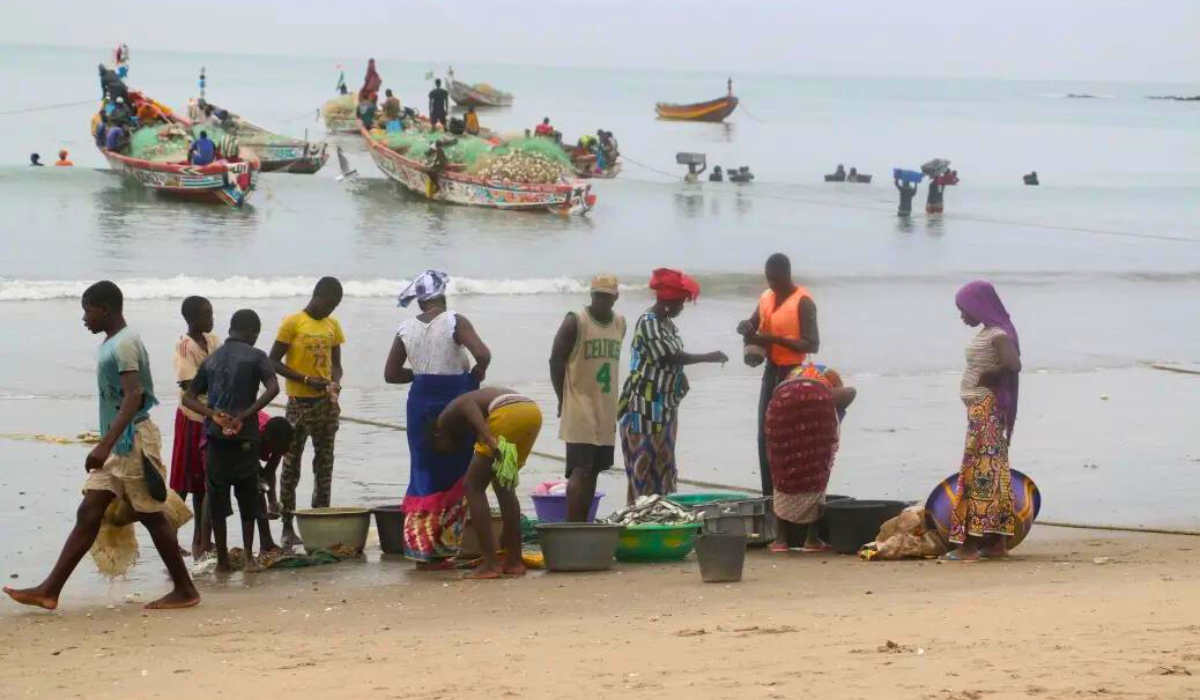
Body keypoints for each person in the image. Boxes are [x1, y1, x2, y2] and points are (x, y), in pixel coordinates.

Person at [3, 281, 200, 611]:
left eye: (87, 310)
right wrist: (106, 444)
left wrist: (102, 445)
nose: (84, 318)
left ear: (105, 309)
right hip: (119, 444)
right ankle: (49, 590)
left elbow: (134, 396)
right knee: (89, 511)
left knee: (151, 515)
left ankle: (185, 589)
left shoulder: (123, 345)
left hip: (134, 441)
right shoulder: (113, 343)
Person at [384, 270, 491, 569]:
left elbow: (391, 375)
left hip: (420, 405)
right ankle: (445, 549)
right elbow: (483, 353)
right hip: (455, 403)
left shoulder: (405, 328)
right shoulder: (455, 320)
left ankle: (420, 551)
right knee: (457, 471)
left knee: (424, 472)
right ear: (443, 295)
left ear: (419, 302)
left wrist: (420, 375)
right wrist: (477, 372)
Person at [182, 309, 280, 573]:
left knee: (218, 498)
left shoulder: (212, 360)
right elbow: (274, 388)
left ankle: (223, 559)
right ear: (253, 333)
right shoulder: (256, 356)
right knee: (248, 497)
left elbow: (188, 397)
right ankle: (249, 558)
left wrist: (213, 415)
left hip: (215, 438)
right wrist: (247, 413)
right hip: (245, 435)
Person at [617, 269, 728, 503]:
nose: (682, 307)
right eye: (680, 303)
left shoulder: (665, 323)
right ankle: (639, 515)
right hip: (644, 409)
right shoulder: (649, 323)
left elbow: (669, 362)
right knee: (644, 468)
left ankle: (660, 513)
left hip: (664, 407)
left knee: (664, 467)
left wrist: (680, 378)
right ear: (668, 301)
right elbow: (670, 356)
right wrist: (708, 356)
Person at [944, 281, 1022, 562]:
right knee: (994, 474)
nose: (962, 315)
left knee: (980, 475)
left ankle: (970, 546)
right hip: (980, 411)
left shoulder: (998, 334)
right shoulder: (989, 332)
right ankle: (996, 543)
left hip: (985, 412)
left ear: (979, 306)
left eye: (963, 309)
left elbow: (1014, 364)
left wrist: (991, 374)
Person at [431, 388, 543, 579]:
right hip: (531, 411)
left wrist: (489, 438)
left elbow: (466, 403)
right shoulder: (468, 424)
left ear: (437, 435)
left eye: (443, 448)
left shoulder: (444, 419)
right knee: (504, 485)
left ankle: (490, 563)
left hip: (508, 412)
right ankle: (514, 561)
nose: (449, 451)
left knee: (472, 486)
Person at [270, 277, 345, 548]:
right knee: (292, 465)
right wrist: (305, 380)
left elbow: (337, 364)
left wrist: (335, 381)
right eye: (330, 303)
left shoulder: (332, 325)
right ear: (318, 296)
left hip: (327, 403)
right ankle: (288, 525)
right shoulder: (293, 322)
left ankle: (319, 520)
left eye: (336, 306)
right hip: (300, 403)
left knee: (324, 464)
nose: (332, 310)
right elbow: (272, 360)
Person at [737, 253, 819, 495]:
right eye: (768, 280)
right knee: (765, 434)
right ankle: (768, 495)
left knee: (790, 438)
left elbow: (812, 344)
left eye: (775, 280)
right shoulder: (766, 297)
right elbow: (754, 323)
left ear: (787, 275)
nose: (771, 285)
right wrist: (746, 327)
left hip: (794, 375)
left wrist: (772, 339)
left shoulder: (803, 301)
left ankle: (791, 495)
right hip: (771, 370)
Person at [549, 275, 626, 522]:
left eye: (607, 296)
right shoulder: (576, 321)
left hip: (605, 406)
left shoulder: (620, 323)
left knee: (594, 470)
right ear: (591, 295)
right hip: (579, 404)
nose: (602, 300)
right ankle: (573, 528)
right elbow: (556, 360)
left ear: (616, 296)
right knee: (580, 469)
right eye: (598, 295)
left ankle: (584, 524)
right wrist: (562, 397)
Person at [765, 364, 856, 552]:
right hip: (816, 407)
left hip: (780, 408)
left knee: (782, 470)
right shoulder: (829, 382)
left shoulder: (796, 376)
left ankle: (781, 540)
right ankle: (811, 539)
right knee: (817, 470)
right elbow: (850, 394)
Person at [170, 296, 221, 558]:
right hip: (193, 418)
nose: (211, 318)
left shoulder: (213, 341)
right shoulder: (185, 347)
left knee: (205, 483)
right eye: (206, 314)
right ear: (192, 318)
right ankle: (170, 538)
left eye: (212, 313)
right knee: (183, 483)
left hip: (212, 417)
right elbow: (188, 385)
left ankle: (201, 540)